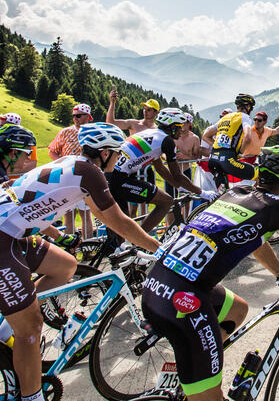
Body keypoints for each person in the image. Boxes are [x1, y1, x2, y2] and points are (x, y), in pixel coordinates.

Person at [142, 145, 279, 401]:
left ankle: (195, 362)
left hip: (156, 285)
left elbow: (254, 240)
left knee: (237, 310)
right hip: (183, 302)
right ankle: (198, 369)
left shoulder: (236, 192)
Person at [0, 121, 160, 401]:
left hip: (14, 233)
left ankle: (6, 322)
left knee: (65, 266)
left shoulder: (73, 162)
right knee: (30, 329)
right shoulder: (91, 173)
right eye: (116, 152)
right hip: (3, 239)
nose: (119, 158)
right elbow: (116, 220)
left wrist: (55, 235)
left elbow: (32, 198)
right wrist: (159, 249)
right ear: (104, 153)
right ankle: (31, 396)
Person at [109, 108, 215, 233]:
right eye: (179, 127)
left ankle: (118, 246)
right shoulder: (167, 141)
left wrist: (178, 186)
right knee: (166, 202)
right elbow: (177, 175)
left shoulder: (152, 133)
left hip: (113, 176)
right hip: (120, 178)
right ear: (172, 127)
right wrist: (202, 192)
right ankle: (137, 241)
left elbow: (159, 167)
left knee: (122, 224)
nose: (181, 130)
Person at [106, 90, 160, 217]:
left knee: (144, 201)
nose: (145, 111)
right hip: (128, 169)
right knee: (130, 201)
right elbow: (111, 123)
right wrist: (112, 103)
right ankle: (131, 228)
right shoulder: (134, 124)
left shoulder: (157, 130)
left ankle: (142, 228)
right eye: (145, 109)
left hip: (145, 169)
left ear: (156, 113)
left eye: (149, 109)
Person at [48, 103, 95, 238]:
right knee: (69, 213)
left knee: (85, 213)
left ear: (88, 117)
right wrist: (62, 163)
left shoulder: (92, 132)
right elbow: (52, 151)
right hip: (67, 176)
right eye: (74, 116)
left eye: (79, 115)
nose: (75, 118)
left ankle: (88, 247)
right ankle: (71, 248)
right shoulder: (65, 132)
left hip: (85, 176)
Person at [203, 93, 258, 185]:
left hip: (213, 159)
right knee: (258, 174)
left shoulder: (225, 118)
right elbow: (248, 137)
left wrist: (219, 147)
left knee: (221, 193)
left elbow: (205, 136)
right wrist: (240, 153)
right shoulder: (244, 117)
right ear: (248, 107)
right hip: (227, 160)